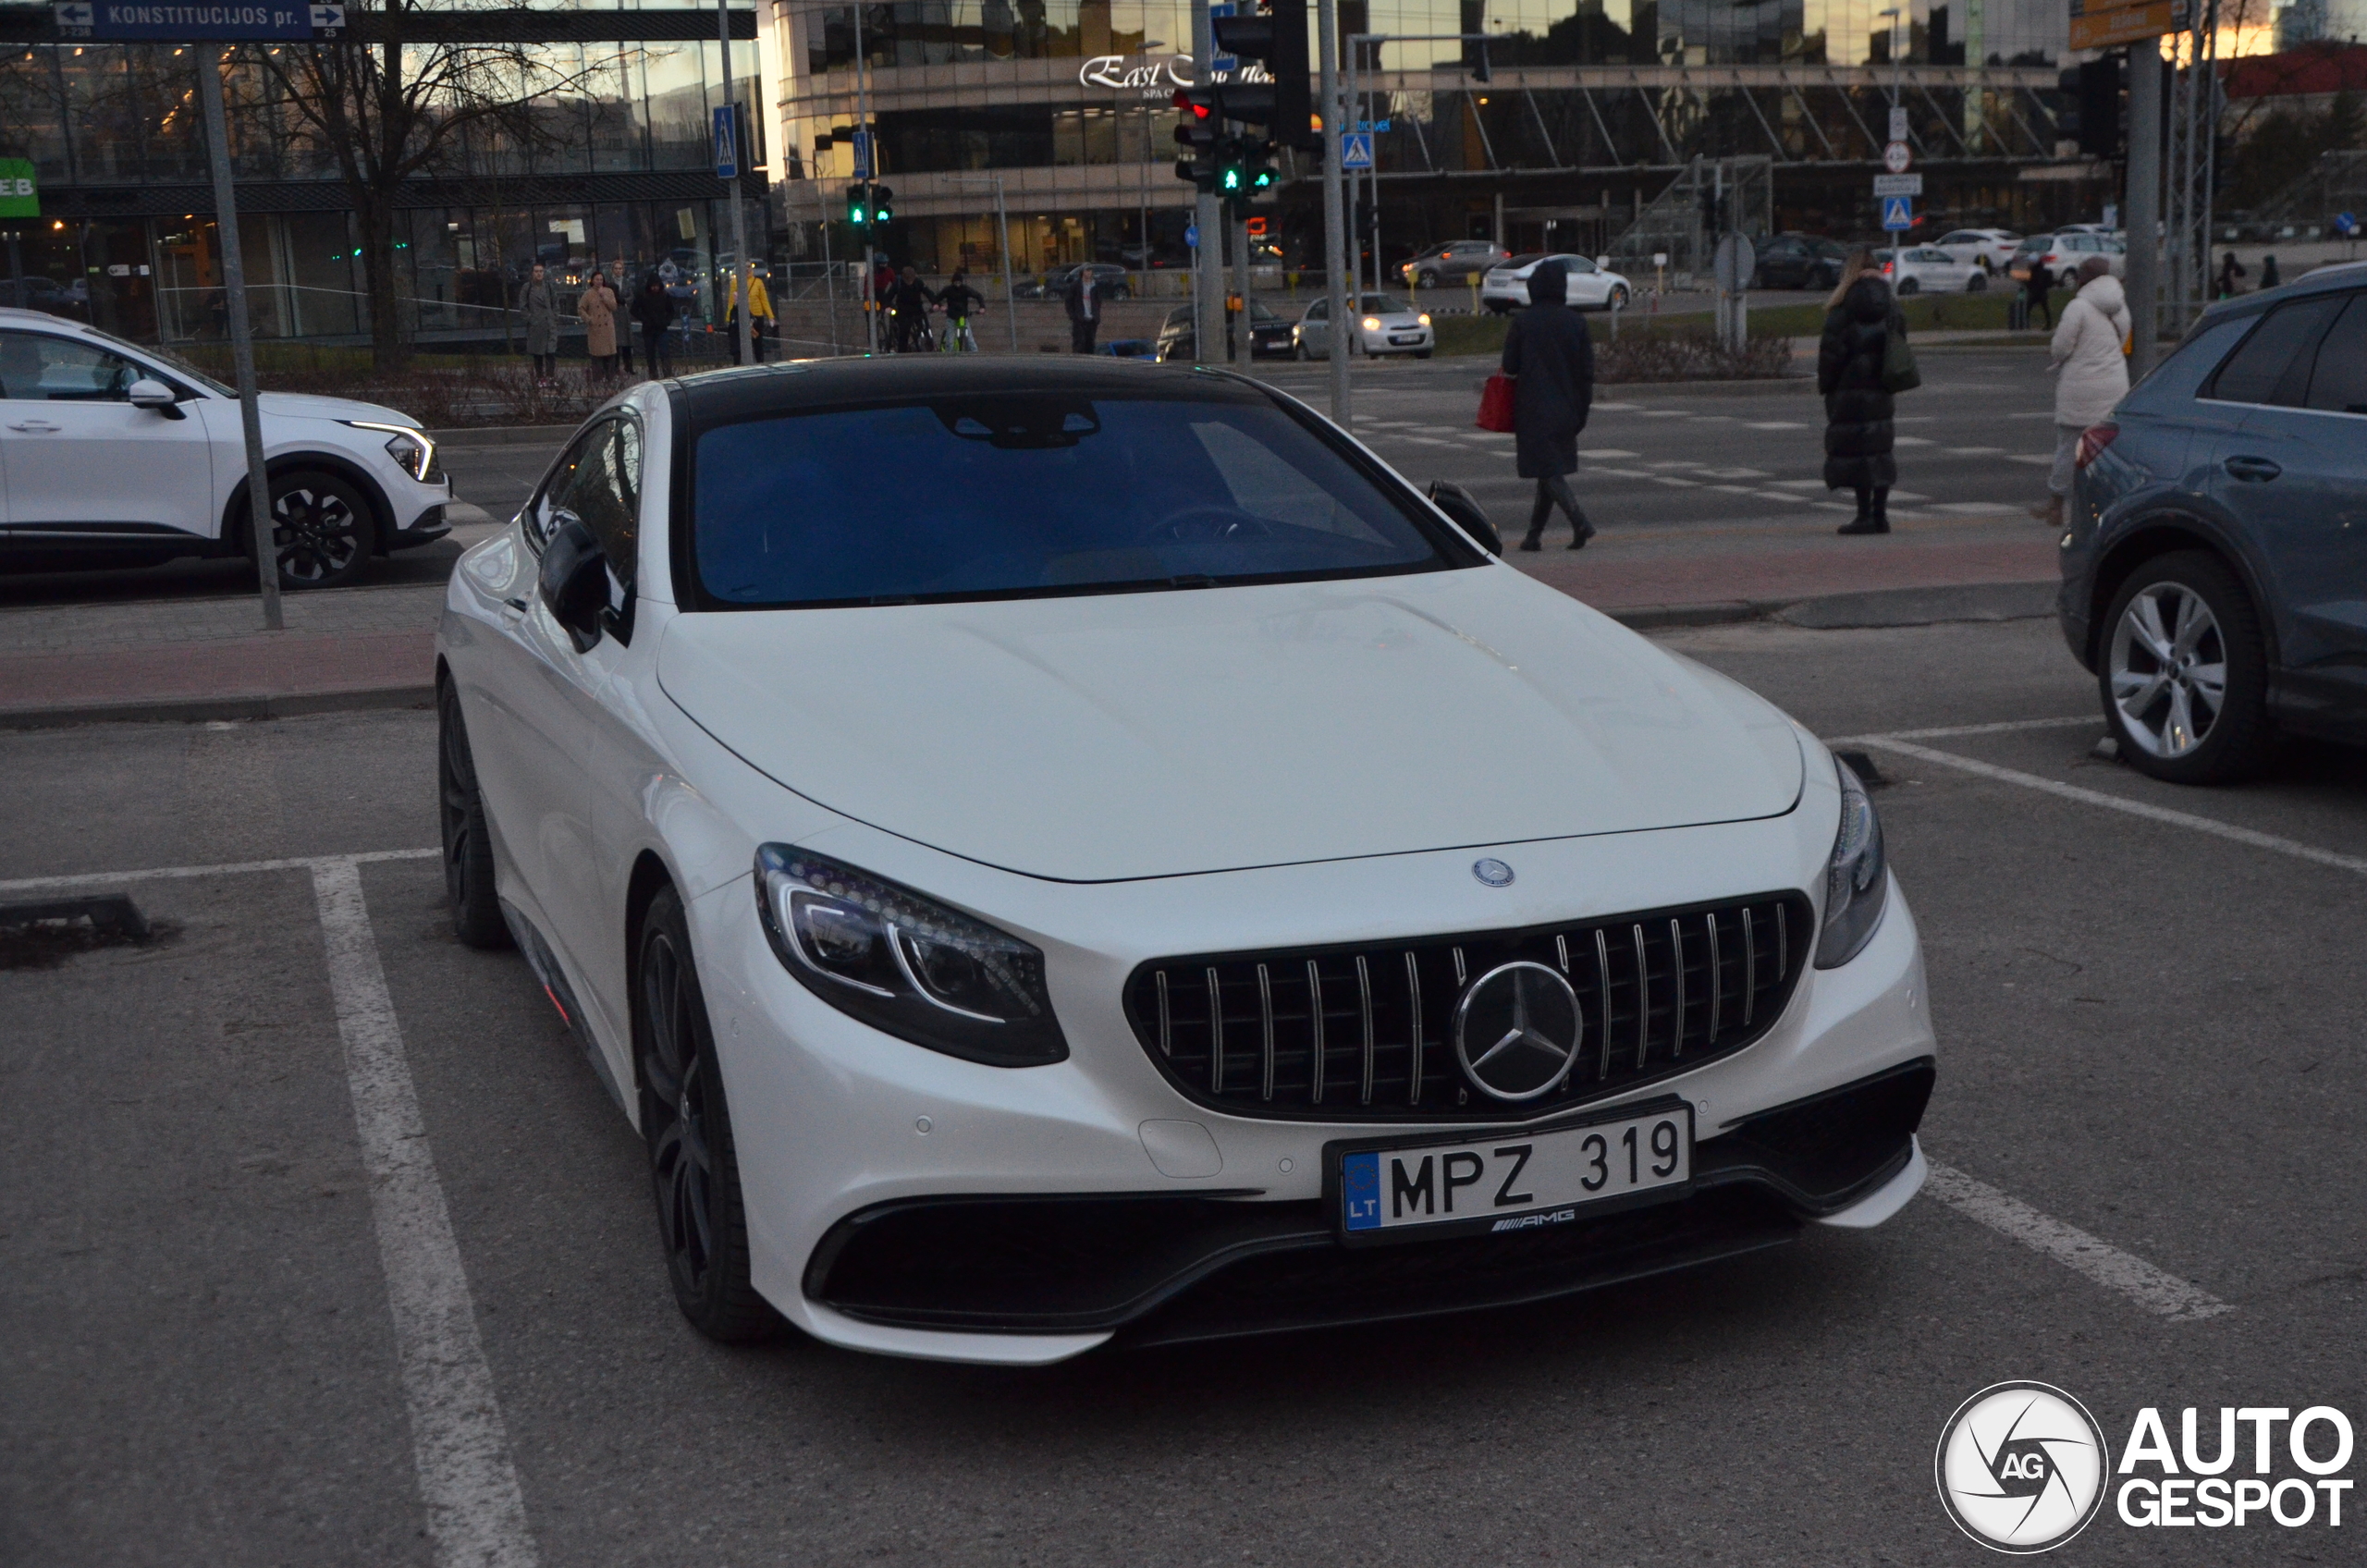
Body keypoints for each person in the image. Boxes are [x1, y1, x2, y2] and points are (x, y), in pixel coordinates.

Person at [1501, 257, 1598, 551]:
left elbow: (1510, 365)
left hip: (1533, 406)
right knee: (1549, 469)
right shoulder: (1576, 322)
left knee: (1547, 469)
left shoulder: (1524, 322)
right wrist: (1581, 411)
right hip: (1569, 406)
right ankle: (1533, 536)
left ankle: (1580, 522)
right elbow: (1587, 373)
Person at [2034, 255, 2131, 531]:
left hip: (2079, 389)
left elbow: (2061, 348)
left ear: (2083, 279)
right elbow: (2123, 340)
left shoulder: (2078, 307)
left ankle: (2056, 505)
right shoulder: (2120, 306)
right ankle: (2104, 507)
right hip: (2114, 387)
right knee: (2105, 453)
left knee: (2068, 448)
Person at [1817, 247, 1907, 536]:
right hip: (1881, 388)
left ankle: (1863, 515)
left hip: (1850, 390)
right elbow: (1899, 344)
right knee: (1879, 449)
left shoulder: (1843, 308)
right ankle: (1880, 516)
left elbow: (1831, 354)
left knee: (1856, 451)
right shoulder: (1891, 305)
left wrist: (1827, 385)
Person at [723, 266, 775, 363]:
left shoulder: (758, 282)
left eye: (749, 267)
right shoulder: (735, 282)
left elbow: (764, 300)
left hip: (756, 317)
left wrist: (770, 316)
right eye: (745, 266)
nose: (747, 269)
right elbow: (731, 301)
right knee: (739, 343)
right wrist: (729, 317)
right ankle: (739, 365)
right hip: (741, 317)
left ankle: (760, 363)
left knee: (757, 342)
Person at [630, 271, 675, 378]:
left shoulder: (664, 296)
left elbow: (671, 311)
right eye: (653, 286)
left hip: (661, 328)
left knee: (664, 353)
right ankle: (653, 375)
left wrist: (666, 321)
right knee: (650, 354)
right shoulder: (643, 296)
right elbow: (634, 310)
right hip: (648, 329)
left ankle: (667, 374)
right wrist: (644, 319)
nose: (655, 288)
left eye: (657, 286)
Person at [521, 262, 558, 385]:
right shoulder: (528, 287)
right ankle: (540, 378)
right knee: (538, 353)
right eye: (536, 271)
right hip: (536, 325)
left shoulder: (548, 287)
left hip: (549, 324)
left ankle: (551, 378)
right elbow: (523, 306)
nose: (539, 274)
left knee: (551, 353)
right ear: (532, 273)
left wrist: (554, 317)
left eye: (541, 271)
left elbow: (555, 303)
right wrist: (531, 319)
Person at [579, 267, 620, 380]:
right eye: (597, 279)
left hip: (608, 329)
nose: (599, 281)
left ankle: (610, 378)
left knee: (610, 355)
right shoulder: (588, 294)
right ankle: (597, 379)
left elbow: (614, 307)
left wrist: (604, 296)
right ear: (592, 280)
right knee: (597, 356)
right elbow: (581, 309)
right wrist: (589, 319)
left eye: (601, 279)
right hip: (595, 329)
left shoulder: (609, 291)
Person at [888, 265, 937, 352]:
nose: (910, 282)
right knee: (904, 333)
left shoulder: (918, 282)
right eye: (908, 280)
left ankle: (928, 347)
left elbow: (928, 293)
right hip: (903, 311)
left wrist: (935, 303)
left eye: (912, 280)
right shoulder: (898, 283)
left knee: (925, 328)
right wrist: (888, 307)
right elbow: (888, 297)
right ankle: (902, 354)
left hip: (917, 309)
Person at [938, 268, 984, 352]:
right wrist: (941, 306)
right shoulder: (948, 290)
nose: (957, 284)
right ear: (953, 282)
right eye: (956, 282)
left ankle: (975, 356)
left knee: (970, 340)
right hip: (952, 317)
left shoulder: (965, 289)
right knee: (950, 342)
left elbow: (978, 296)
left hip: (962, 317)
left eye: (959, 282)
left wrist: (982, 307)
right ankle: (949, 359)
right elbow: (937, 298)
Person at [1063, 263, 1101, 354]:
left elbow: (1098, 301)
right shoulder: (1075, 285)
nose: (1089, 273)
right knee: (1079, 343)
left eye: (1090, 271)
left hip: (1091, 320)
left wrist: (1096, 314)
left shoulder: (1094, 286)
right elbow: (1068, 301)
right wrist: (1073, 316)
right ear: (1082, 272)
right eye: (1087, 270)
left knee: (1090, 344)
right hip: (1080, 319)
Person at [607, 260, 636, 375]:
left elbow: (631, 296)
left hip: (624, 313)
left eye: (620, 269)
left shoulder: (627, 282)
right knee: (615, 342)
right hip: (613, 313)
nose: (618, 271)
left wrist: (625, 301)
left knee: (627, 341)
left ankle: (629, 366)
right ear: (612, 270)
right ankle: (615, 367)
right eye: (616, 269)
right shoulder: (609, 283)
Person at [2021, 255, 2054, 330]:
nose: (2029, 263)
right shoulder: (2038, 269)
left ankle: (2025, 324)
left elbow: (2031, 282)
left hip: (2036, 293)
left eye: (2030, 261)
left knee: (2028, 308)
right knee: (2045, 309)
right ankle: (2048, 324)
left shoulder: (2035, 271)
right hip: (2041, 293)